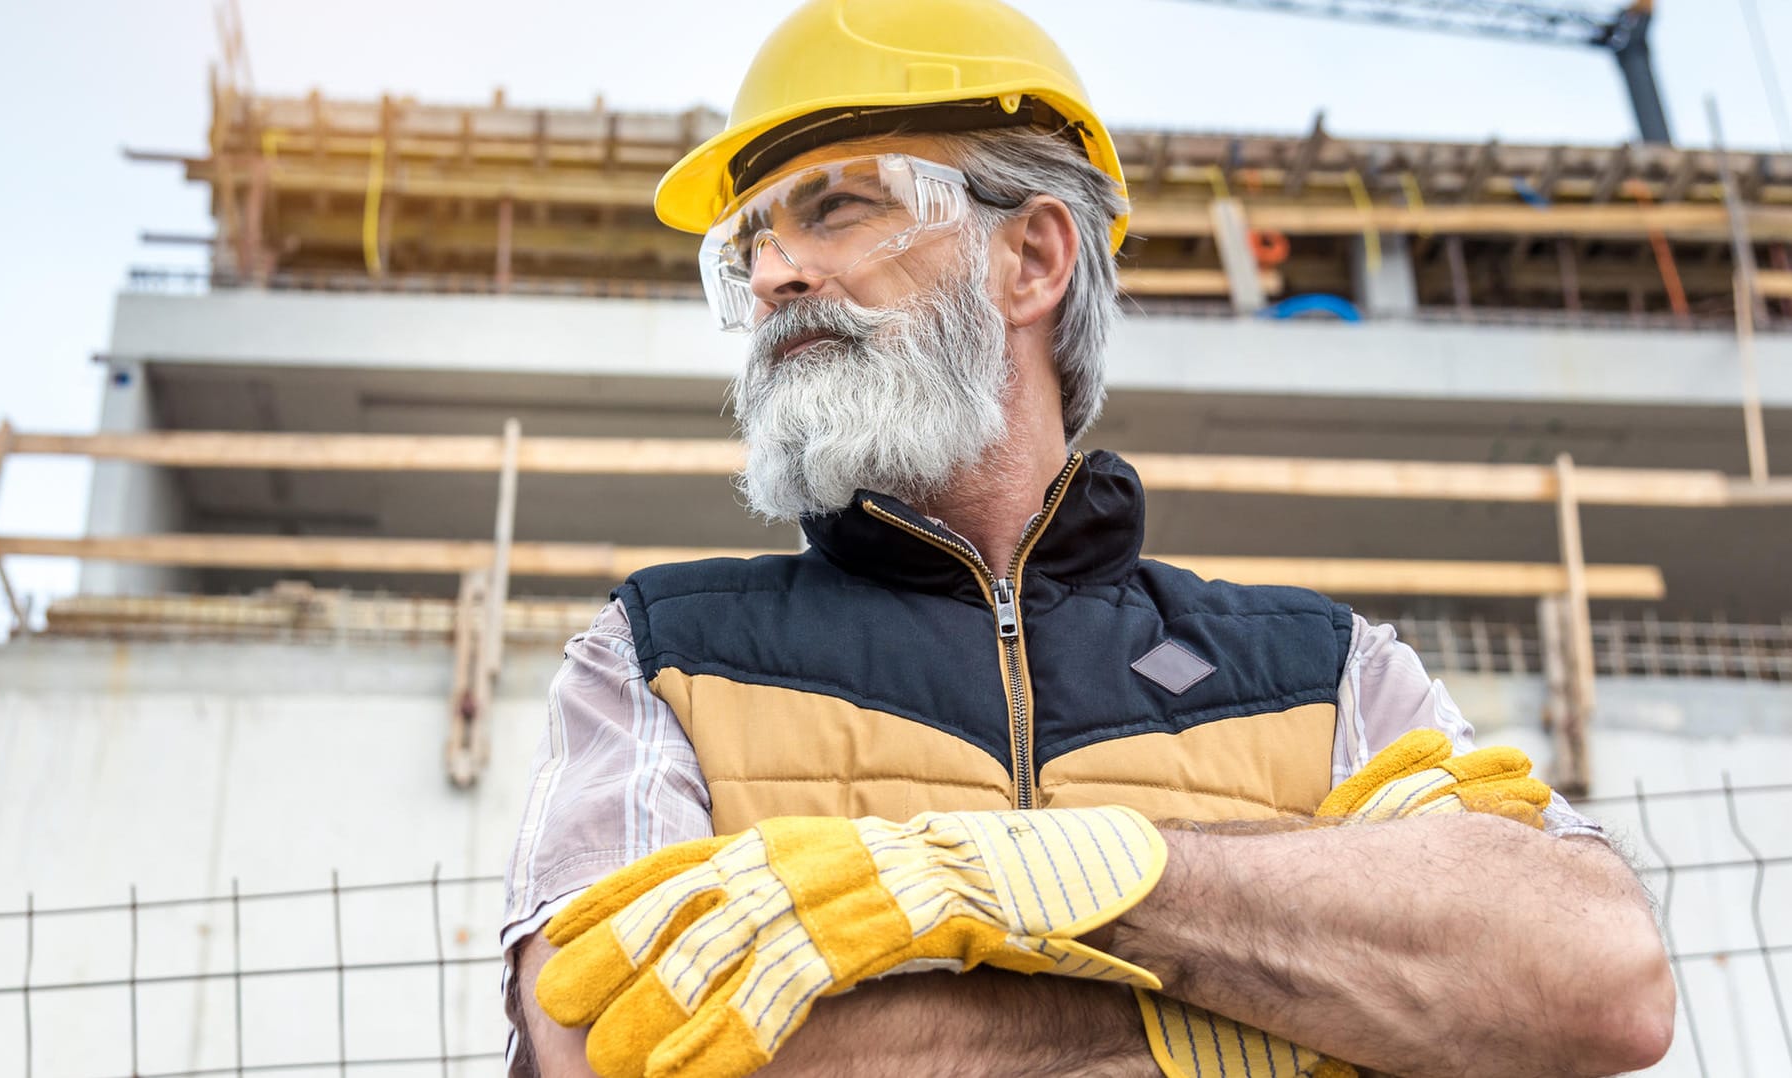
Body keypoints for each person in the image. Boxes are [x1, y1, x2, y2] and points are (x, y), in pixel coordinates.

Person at [500, 1, 1676, 1074]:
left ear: (1033, 257)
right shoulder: (655, 654)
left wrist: (1033, 878)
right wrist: (1266, 1009)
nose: (771, 273)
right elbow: (606, 1040)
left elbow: (1601, 978)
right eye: (749, 240)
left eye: (837, 208)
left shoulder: (1325, 668)